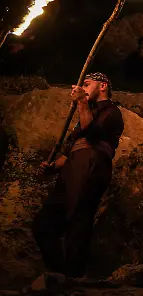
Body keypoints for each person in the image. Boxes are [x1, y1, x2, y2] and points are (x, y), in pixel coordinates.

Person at [33, 73, 124, 278]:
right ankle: (59, 272)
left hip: (91, 167)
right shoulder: (87, 111)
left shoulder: (112, 111)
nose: (82, 87)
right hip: (72, 168)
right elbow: (73, 148)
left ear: (102, 86)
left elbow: (91, 135)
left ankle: (73, 277)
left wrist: (82, 101)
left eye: (87, 84)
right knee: (43, 224)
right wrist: (54, 166)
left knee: (78, 219)